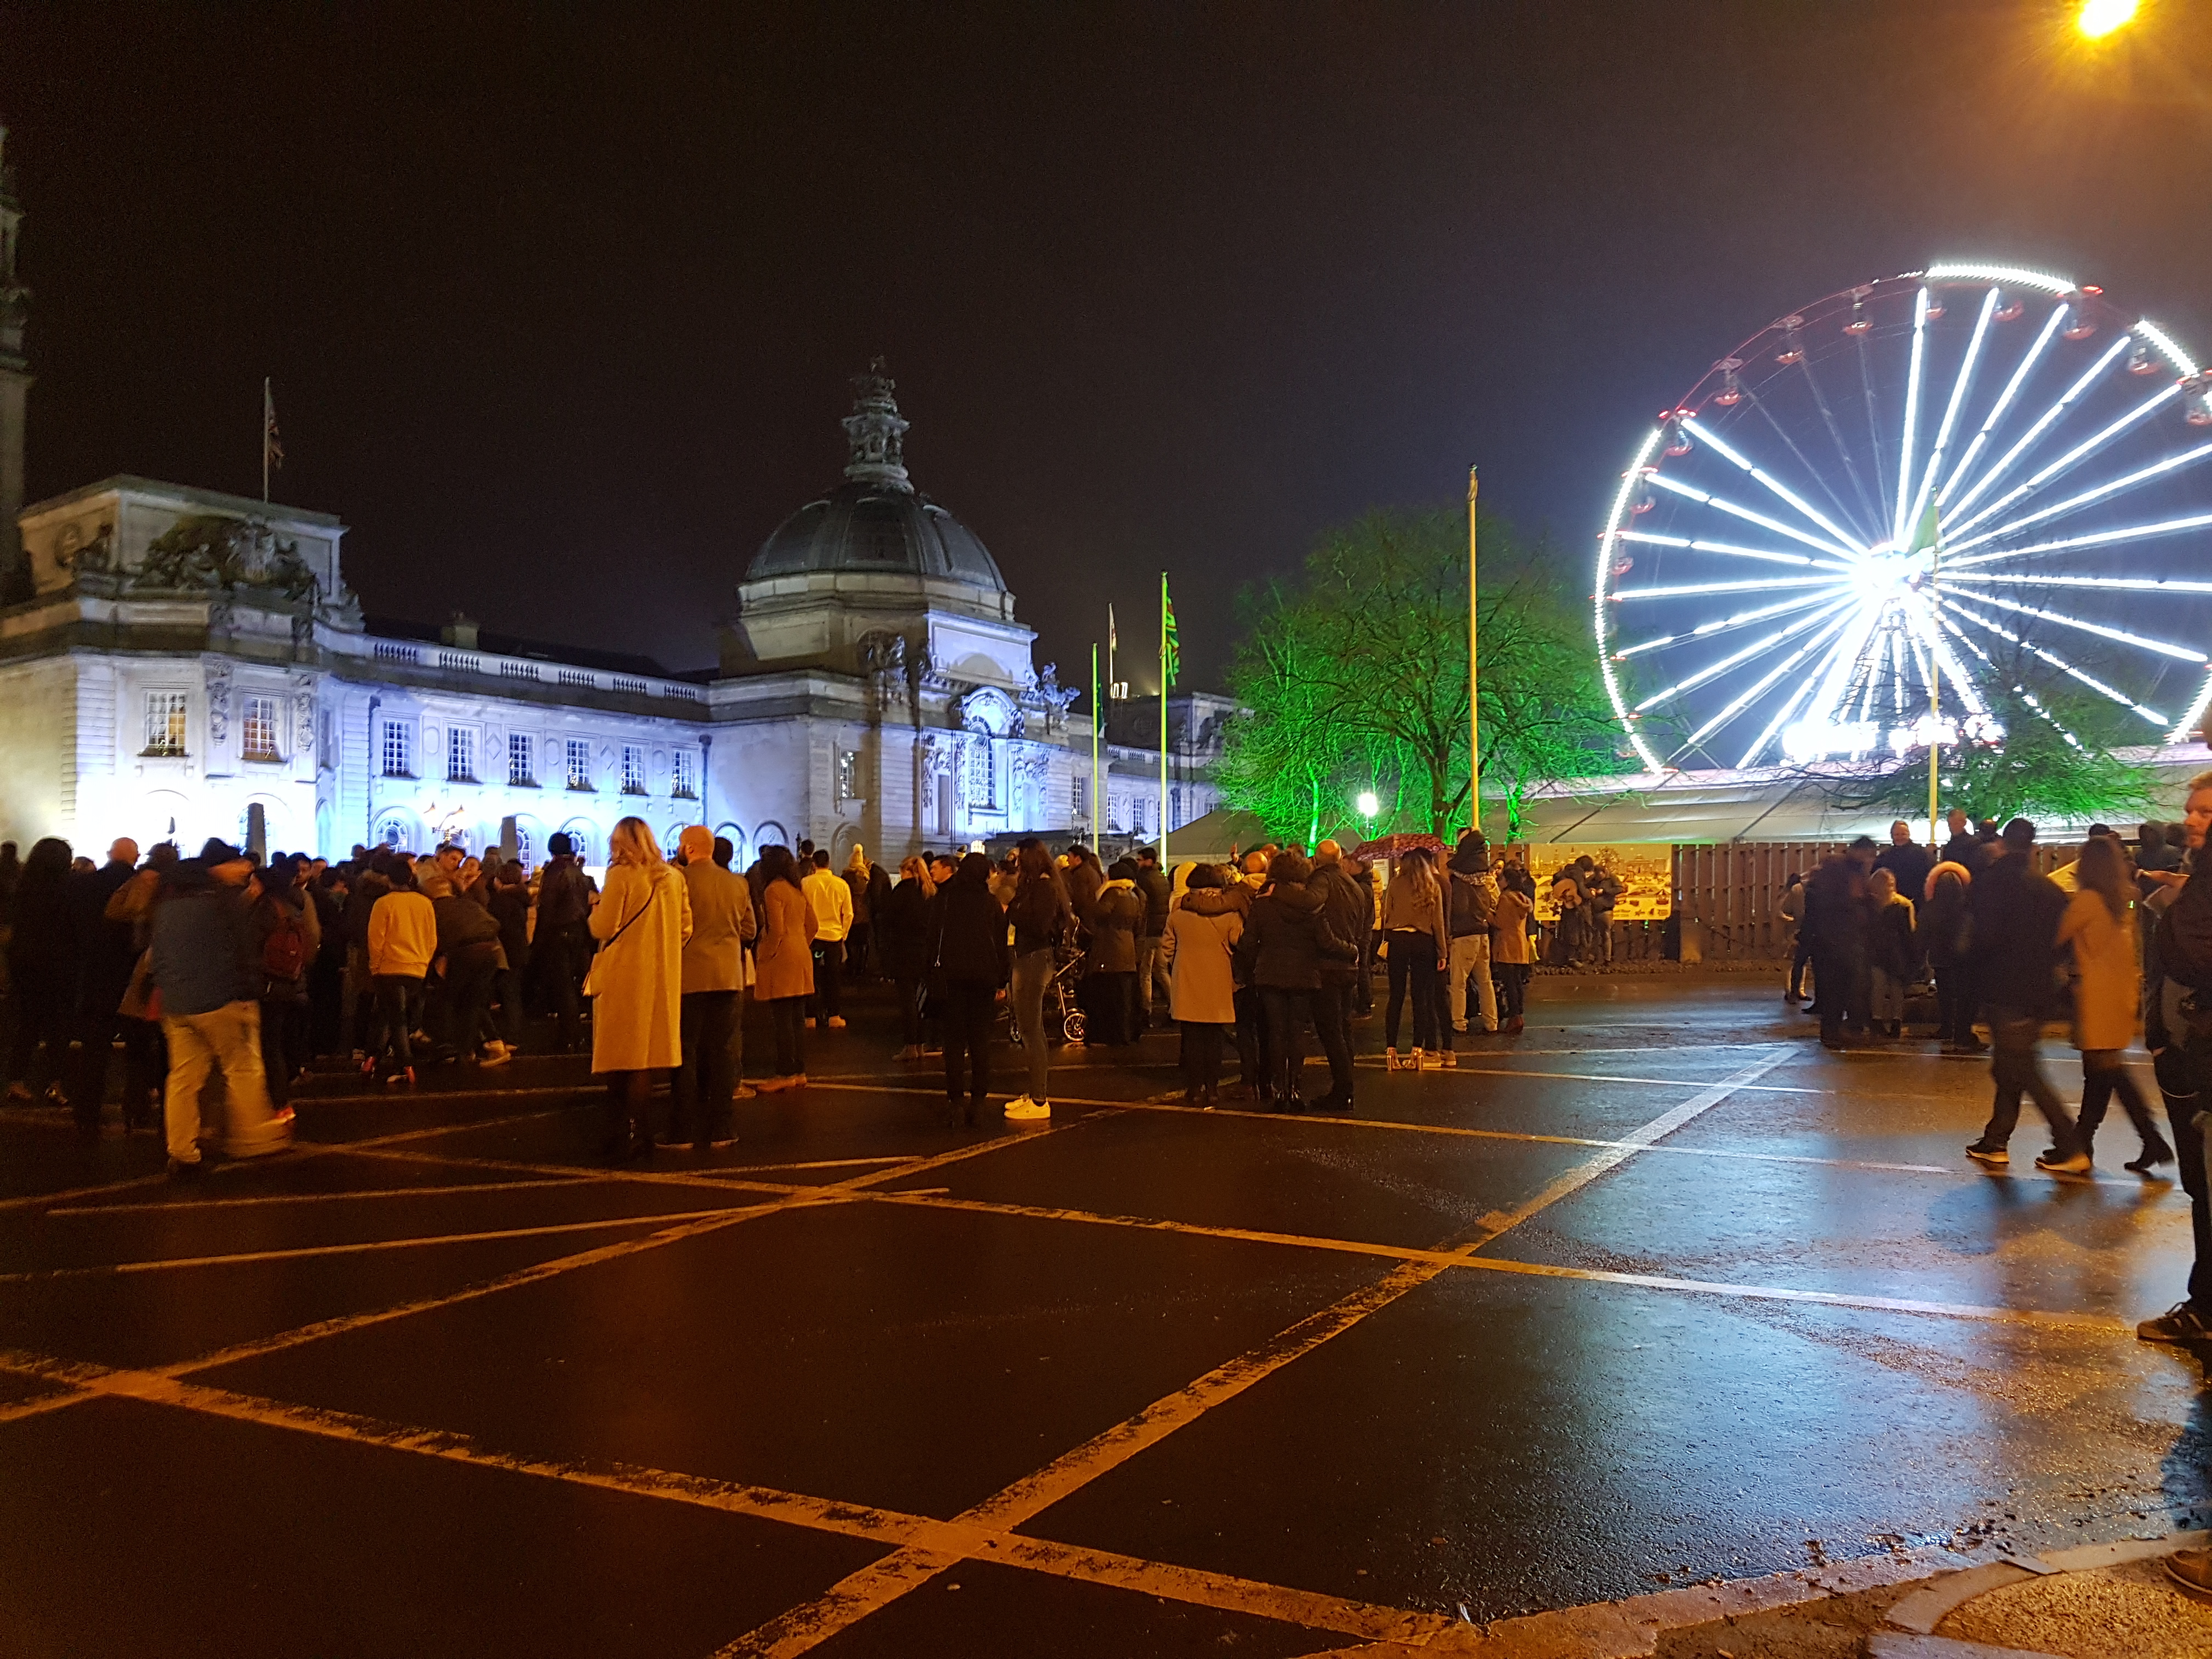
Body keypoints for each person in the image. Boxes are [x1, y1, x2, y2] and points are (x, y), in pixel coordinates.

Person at [149, 842, 292, 1176]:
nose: (245, 869)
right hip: (221, 1000)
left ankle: (182, 1152)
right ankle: (253, 1139)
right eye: (237, 863)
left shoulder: (167, 907)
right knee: (242, 1068)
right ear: (216, 869)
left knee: (184, 1079)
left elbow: (156, 955)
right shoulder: (222, 902)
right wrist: (249, 993)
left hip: (178, 1004)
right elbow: (242, 952)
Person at [1963, 817, 2087, 1174]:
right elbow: (2061, 939)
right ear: (2033, 846)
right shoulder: (2047, 890)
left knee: (2021, 1067)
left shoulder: (1993, 883)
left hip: (2005, 988)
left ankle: (2068, 1142)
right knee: (2011, 1064)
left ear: (2003, 843)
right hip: (2038, 988)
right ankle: (1996, 1139)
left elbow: (1983, 938)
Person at [2138, 770, 2212, 1350]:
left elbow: (2186, 958)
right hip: (2181, 1047)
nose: (2191, 819)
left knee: (2206, 1185)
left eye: (2205, 812)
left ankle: (2204, 1308)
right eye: (2191, 810)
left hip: (2198, 1048)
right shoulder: (2193, 883)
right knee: (2197, 1183)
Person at [2059, 833, 2168, 1173]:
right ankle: (2091, 1142)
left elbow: (2057, 935)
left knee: (2106, 1071)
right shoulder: (2126, 897)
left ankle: (2144, 1140)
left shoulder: (2088, 901)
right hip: (2121, 992)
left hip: (2096, 995)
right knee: (2103, 1072)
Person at [587, 816, 693, 1160]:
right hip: (660, 974)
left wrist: (593, 910)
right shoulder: (674, 878)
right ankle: (642, 1133)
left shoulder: (620, 875)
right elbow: (685, 928)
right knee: (644, 1059)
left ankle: (623, 1135)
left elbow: (604, 927)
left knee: (623, 1059)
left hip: (625, 974)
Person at [1236, 850, 1350, 1110]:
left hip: (1270, 974)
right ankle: (1294, 1089)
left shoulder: (1263, 904)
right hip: (1305, 973)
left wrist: (1247, 965)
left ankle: (1280, 1091)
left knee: (1276, 1033)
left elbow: (1249, 942)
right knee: (1297, 1033)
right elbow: (1325, 941)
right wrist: (1351, 951)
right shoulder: (1313, 906)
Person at [672, 825, 754, 1150]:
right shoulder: (738, 883)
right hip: (728, 976)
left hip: (689, 976)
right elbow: (749, 929)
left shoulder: (678, 881)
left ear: (690, 849)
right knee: (722, 1052)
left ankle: (681, 1130)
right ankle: (723, 1127)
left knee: (686, 1051)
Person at [64, 838, 142, 1136]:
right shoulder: (141, 885)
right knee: (138, 1047)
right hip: (131, 976)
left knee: (94, 1049)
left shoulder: (84, 886)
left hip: (95, 975)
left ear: (110, 855)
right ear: (135, 857)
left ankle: (87, 1112)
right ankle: (136, 1108)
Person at [928, 851, 1008, 1125]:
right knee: (979, 1042)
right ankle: (979, 1099)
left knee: (954, 1043)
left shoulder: (945, 900)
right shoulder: (990, 903)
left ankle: (955, 1100)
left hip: (951, 978)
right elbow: (1000, 944)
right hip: (983, 978)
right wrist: (1002, 980)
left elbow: (932, 938)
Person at [1161, 863, 1243, 1105]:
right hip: (1218, 979)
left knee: (1192, 1037)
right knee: (1214, 1038)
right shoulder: (1230, 914)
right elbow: (1239, 940)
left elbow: (1167, 949)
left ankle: (1194, 1088)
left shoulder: (1178, 914)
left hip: (1187, 978)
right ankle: (1213, 1088)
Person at [5, 837, 76, 1103]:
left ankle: (16, 1081)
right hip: (58, 964)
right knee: (59, 1028)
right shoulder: (68, 889)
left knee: (27, 1025)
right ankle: (55, 1084)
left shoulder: (23, 887)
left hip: (25, 962)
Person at [1004, 839, 1071, 1120]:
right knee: (1028, 1027)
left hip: (1034, 958)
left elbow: (1038, 923)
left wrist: (1015, 912)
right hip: (1028, 956)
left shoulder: (1044, 887)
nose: (1016, 863)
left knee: (1032, 1030)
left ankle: (1040, 1100)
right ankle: (1034, 1092)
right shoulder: (1037, 885)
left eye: (1020, 858)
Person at [252, 852, 321, 1103]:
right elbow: (312, 938)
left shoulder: (267, 906)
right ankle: (287, 1083)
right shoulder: (300, 902)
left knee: (269, 1042)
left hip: (269, 981)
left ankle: (276, 1099)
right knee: (284, 1036)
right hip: (293, 977)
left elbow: (253, 944)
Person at [365, 859, 436, 1086]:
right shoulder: (425, 903)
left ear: (388, 879)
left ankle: (405, 1064)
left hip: (390, 967)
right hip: (416, 968)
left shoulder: (384, 904)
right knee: (393, 1014)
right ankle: (373, 1056)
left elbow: (376, 939)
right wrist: (424, 961)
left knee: (396, 1018)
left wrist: (375, 967)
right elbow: (431, 938)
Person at [1307, 841, 1366, 1111]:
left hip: (1329, 964)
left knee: (1331, 1031)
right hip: (1349, 965)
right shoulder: (1353, 885)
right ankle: (1346, 1085)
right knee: (1343, 1028)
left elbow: (1313, 910)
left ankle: (1343, 1089)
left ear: (1318, 860)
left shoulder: (1321, 882)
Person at [753, 845, 818, 1091]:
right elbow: (813, 924)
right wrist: (802, 942)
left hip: (782, 957)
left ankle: (784, 1072)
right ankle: (799, 1070)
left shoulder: (773, 890)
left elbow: (776, 929)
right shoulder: (796, 890)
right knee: (797, 1018)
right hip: (801, 952)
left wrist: (766, 953)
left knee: (782, 1019)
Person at [422, 867, 501, 1066]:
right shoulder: (467, 904)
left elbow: (432, 941)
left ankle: (451, 1046)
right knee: (473, 1001)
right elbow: (493, 922)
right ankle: (469, 1049)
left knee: (451, 998)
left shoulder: (434, 910)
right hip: (491, 949)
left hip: (465, 952)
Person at [1381, 846, 1450, 1069]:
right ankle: (1417, 1052)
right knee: (1421, 998)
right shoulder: (1433, 886)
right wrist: (1442, 952)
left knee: (1396, 996)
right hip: (1423, 942)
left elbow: (1385, 914)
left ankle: (1391, 1051)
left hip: (1398, 941)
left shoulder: (1394, 884)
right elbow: (1438, 922)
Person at [1804, 839, 1875, 1049]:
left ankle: (1838, 1031)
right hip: (1835, 939)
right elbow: (1827, 904)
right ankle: (1832, 1033)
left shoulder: (1849, 870)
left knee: (1843, 987)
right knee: (1835, 988)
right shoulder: (1839, 870)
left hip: (1844, 938)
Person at [534, 832, 591, 1053]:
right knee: (571, 985)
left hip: (560, 932)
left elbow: (547, 907)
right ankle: (575, 1034)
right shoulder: (578, 872)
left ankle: (570, 1036)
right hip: (578, 931)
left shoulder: (555, 871)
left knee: (563, 986)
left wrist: (539, 941)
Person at [878, 856, 936, 1061]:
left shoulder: (902, 892)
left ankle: (911, 1044)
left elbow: (888, 921)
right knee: (920, 1001)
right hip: (926, 953)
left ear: (906, 871)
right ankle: (921, 1043)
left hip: (904, 952)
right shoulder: (930, 892)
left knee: (908, 1001)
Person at [1444, 832, 1499, 1042]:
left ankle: (1459, 1022)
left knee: (1458, 982)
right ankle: (1491, 1021)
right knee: (1485, 981)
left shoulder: (1460, 879)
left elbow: (1459, 908)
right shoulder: (1484, 878)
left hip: (1463, 934)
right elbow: (1493, 903)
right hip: (1482, 933)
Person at [1921, 860, 1979, 1053]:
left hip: (1940, 957)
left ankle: (1946, 1027)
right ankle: (1960, 1031)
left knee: (1944, 995)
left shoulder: (1931, 908)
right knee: (1962, 995)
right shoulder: (1967, 908)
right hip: (1962, 959)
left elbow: (1923, 933)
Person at [1086, 860, 1145, 1046]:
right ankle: (1125, 1034)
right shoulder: (1134, 895)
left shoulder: (1112, 894)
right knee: (1124, 997)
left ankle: (1111, 1035)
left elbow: (1100, 913)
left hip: (1110, 948)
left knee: (1109, 995)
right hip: (1127, 948)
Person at [1864, 867, 1916, 1039]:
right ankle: (1888, 1021)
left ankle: (1889, 1021)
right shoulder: (1899, 906)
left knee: (1890, 987)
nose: (1891, 887)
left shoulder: (1898, 906)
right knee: (1886, 987)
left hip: (1889, 953)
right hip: (1890, 952)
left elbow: (1907, 933)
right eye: (1888, 884)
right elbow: (1908, 934)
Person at [802, 849, 853, 1029]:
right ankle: (834, 1015)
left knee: (812, 977)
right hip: (834, 938)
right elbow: (848, 913)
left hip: (814, 939)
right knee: (833, 977)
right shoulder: (841, 884)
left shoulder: (806, 883)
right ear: (829, 863)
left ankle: (810, 1017)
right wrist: (843, 934)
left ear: (813, 864)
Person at [1491, 863, 1534, 1035]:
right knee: (1517, 982)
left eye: (1501, 879)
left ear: (1507, 881)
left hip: (1507, 944)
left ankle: (1514, 1016)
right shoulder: (1522, 899)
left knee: (1510, 983)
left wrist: (1487, 914)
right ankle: (1519, 1015)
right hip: (1520, 943)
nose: (1499, 881)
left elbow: (1500, 923)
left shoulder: (1506, 898)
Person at [1133, 845, 1171, 1029]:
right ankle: (1174, 1005)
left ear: (1148, 861)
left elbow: (1142, 906)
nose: (1138, 863)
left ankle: (1146, 1010)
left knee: (1145, 973)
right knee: (1161, 971)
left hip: (1149, 931)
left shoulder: (1143, 879)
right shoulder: (1162, 878)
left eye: (1140, 860)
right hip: (1162, 930)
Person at [1872, 820, 1934, 915]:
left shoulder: (1922, 855)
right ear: (1892, 836)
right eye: (1897, 834)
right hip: (1891, 903)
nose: (1900, 837)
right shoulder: (1885, 856)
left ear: (1909, 834)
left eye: (1903, 834)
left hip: (1916, 902)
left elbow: (1930, 878)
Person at [842, 844, 873, 984]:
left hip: (851, 911)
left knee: (851, 941)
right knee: (863, 943)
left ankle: (852, 968)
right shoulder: (866, 875)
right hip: (864, 913)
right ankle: (862, 968)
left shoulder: (846, 876)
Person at [1778, 870, 1810, 1003]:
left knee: (1795, 962)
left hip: (1793, 930)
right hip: (1795, 931)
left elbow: (1781, 911)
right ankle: (1795, 990)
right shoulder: (1796, 892)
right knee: (1796, 962)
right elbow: (1781, 912)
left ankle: (1792, 990)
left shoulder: (1789, 893)